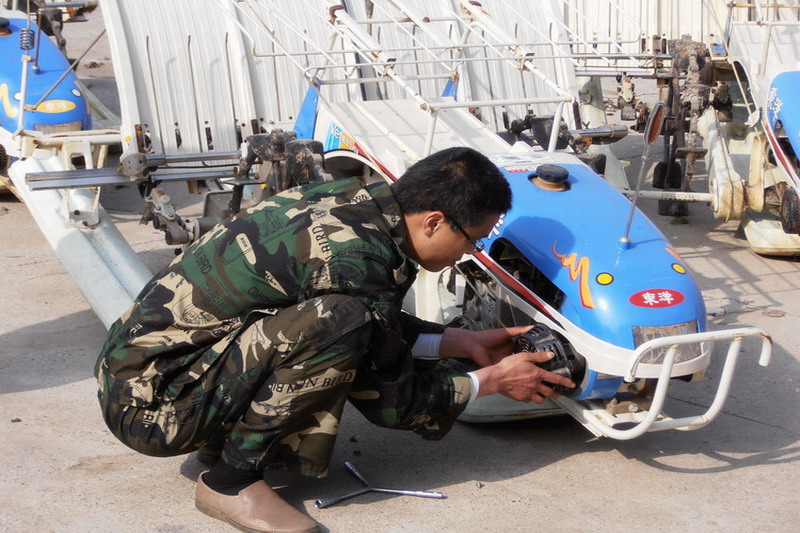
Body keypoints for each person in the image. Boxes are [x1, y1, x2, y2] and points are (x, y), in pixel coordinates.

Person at [95, 146, 575, 533]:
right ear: (433, 221)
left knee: (337, 318)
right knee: (336, 322)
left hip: (147, 373)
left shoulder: (351, 201)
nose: (469, 253)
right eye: (472, 238)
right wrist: (490, 382)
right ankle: (229, 482)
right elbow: (393, 402)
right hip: (156, 411)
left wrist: (457, 341)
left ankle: (223, 440)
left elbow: (374, 325)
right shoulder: (357, 258)